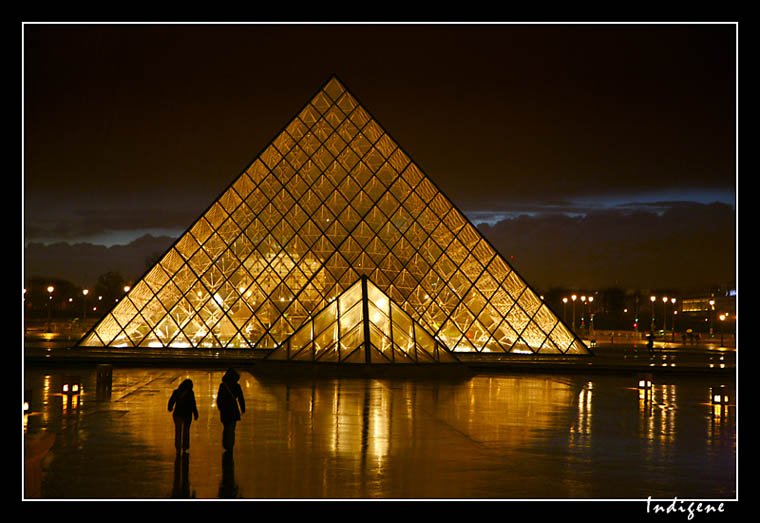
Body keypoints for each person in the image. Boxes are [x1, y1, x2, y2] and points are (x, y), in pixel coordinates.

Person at [217, 368, 246, 451]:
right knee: (232, 429)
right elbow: (241, 398)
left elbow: (219, 398)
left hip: (225, 410)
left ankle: (225, 443)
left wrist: (220, 407)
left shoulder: (223, 386)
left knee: (226, 428)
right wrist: (243, 408)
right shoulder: (237, 386)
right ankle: (230, 444)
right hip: (233, 409)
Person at [168, 379, 199, 454]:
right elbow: (193, 404)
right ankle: (185, 447)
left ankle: (178, 447)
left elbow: (171, 401)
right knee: (186, 431)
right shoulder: (191, 393)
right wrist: (195, 413)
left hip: (177, 414)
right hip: (187, 415)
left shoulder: (176, 392)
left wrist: (170, 407)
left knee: (178, 431)